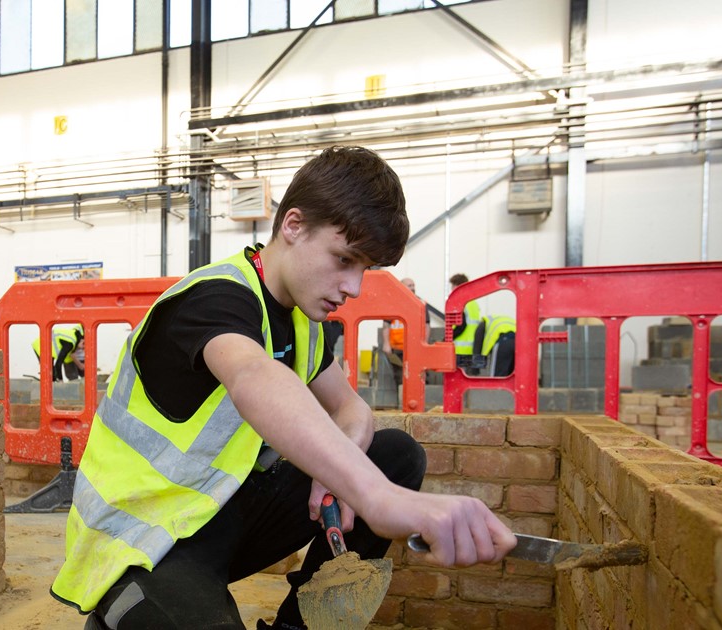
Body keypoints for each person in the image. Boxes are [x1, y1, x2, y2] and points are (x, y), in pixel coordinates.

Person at [51, 146, 516, 629]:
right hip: (141, 537)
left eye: (366, 268)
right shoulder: (213, 298)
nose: (354, 287)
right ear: (292, 225)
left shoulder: (300, 319)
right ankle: (129, 610)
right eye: (344, 259)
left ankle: (302, 625)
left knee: (395, 454)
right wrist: (377, 498)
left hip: (218, 514)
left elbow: (352, 409)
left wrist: (341, 465)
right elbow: (254, 375)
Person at [448, 273, 483, 374]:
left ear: (458, 286)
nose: (452, 289)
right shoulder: (473, 303)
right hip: (474, 349)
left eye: (453, 286)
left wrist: (446, 339)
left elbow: (461, 326)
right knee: (470, 380)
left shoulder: (460, 302)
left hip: (461, 350)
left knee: (457, 380)